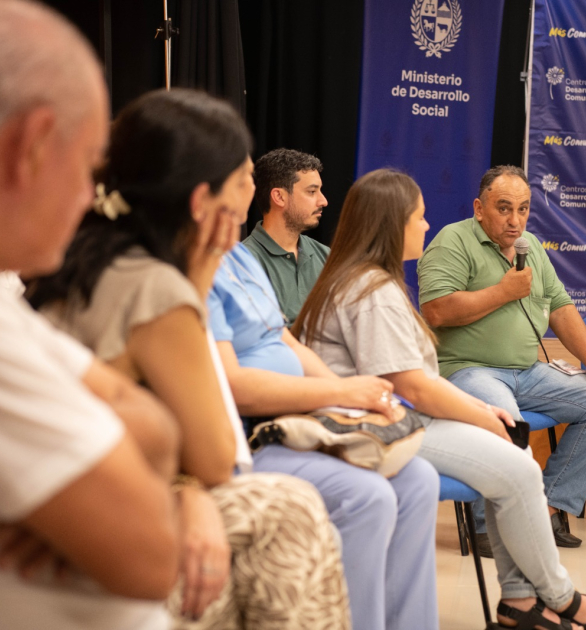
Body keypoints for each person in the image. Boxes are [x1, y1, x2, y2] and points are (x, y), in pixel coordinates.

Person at [28, 89, 351, 629]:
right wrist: (197, 282)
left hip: (74, 492)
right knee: (292, 512)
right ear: (202, 202)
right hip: (99, 511)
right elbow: (214, 456)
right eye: (242, 180)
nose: (251, 192)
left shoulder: (81, 256)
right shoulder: (160, 289)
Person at [0, 1, 180, 628]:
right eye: (89, 168)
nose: (88, 199)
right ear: (34, 144)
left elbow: (155, 425)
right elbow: (151, 555)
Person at [295, 168, 586, 630]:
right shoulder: (370, 288)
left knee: (517, 460)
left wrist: (483, 412)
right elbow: (412, 386)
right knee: (517, 460)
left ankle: (521, 601)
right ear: (392, 223)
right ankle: (555, 595)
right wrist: (482, 413)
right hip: (377, 425)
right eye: (419, 217)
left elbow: (414, 379)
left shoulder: (366, 279)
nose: (427, 227)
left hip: (399, 416)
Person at [209, 174, 440, 630]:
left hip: (305, 417)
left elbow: (289, 345)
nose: (248, 193)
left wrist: (356, 403)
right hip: (254, 432)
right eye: (240, 181)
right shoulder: (191, 267)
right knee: (368, 495)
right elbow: (231, 384)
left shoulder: (237, 258)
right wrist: (342, 391)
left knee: (418, 479)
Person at [417, 165, 586, 551]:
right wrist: (502, 292)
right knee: (504, 415)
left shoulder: (531, 247)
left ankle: (546, 509)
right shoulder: (453, 240)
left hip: (528, 372)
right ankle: (486, 524)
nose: (516, 220)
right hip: (468, 371)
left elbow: (561, 308)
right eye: (504, 208)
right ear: (480, 209)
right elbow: (436, 311)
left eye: (524, 209)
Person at [242, 148, 329, 325]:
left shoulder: (326, 256)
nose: (323, 201)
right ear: (279, 197)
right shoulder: (244, 261)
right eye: (312, 192)